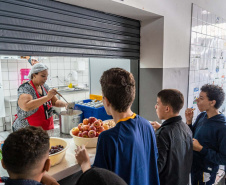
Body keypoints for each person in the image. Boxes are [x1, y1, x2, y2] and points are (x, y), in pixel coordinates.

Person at [75, 68, 160, 185]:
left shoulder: (108, 138)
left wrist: (85, 164)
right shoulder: (147, 126)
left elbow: (99, 181)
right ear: (132, 96)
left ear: (107, 101)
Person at [185, 84, 226, 185]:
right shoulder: (202, 116)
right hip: (195, 166)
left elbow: (223, 158)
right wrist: (189, 122)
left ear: (212, 102)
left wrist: (201, 149)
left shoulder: (222, 127)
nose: (197, 100)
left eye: (201, 98)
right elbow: (192, 136)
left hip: (206, 171)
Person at [151, 89, 193, 185]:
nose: (155, 106)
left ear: (167, 109)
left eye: (158, 103)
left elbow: (157, 167)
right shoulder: (186, 127)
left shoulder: (163, 133)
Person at [13, 63, 70, 131]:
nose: (46, 79)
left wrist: (65, 104)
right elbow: (26, 106)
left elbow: (55, 102)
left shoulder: (44, 86)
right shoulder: (25, 88)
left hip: (45, 127)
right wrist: (47, 97)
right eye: (43, 76)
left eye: (46, 76)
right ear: (34, 75)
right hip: (28, 130)